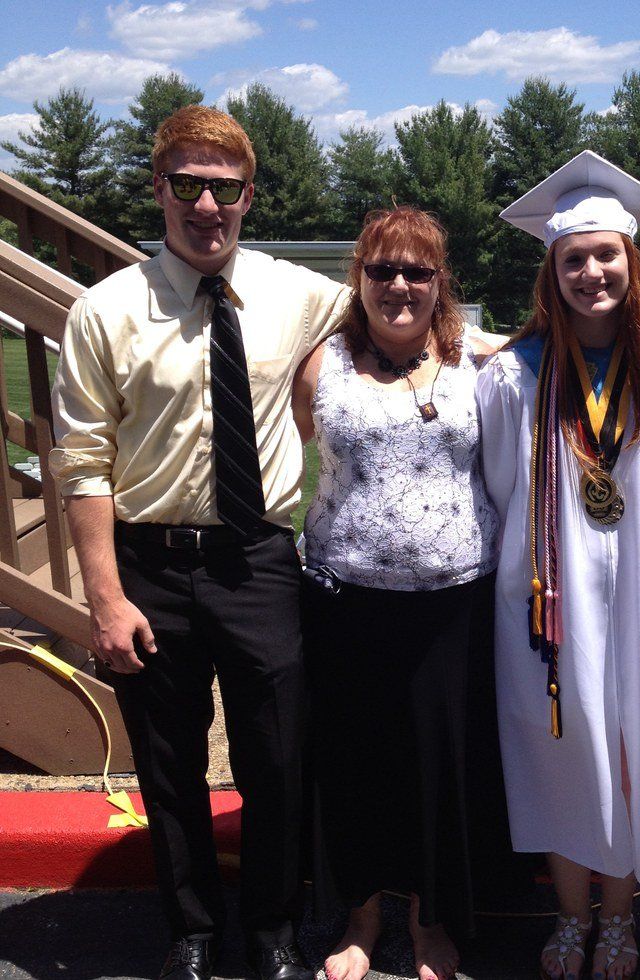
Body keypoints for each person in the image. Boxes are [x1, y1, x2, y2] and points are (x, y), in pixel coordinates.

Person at [49, 105, 350, 980]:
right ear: (159, 189)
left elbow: (405, 312)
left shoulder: (298, 294)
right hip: (148, 565)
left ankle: (272, 928)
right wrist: (105, 600)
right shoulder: (106, 311)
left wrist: (531, 352)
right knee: (169, 764)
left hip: (259, 563)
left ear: (249, 196)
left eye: (224, 188)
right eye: (187, 185)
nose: (206, 206)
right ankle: (190, 929)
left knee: (279, 757)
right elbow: (82, 462)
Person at [476, 151, 640, 980]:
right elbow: (504, 492)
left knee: (631, 750)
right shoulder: (512, 378)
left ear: (632, 262)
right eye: (573, 259)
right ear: (551, 274)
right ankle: (570, 915)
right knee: (565, 751)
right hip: (551, 605)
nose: (592, 273)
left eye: (606, 254)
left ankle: (619, 918)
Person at [293, 205, 515, 980]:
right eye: (382, 269)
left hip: (455, 603)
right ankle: (359, 920)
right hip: (345, 600)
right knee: (356, 765)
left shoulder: (479, 360)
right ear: (358, 276)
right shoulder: (320, 365)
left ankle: (429, 920)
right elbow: (279, 456)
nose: (398, 285)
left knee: (439, 769)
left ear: (439, 281)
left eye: (417, 271)